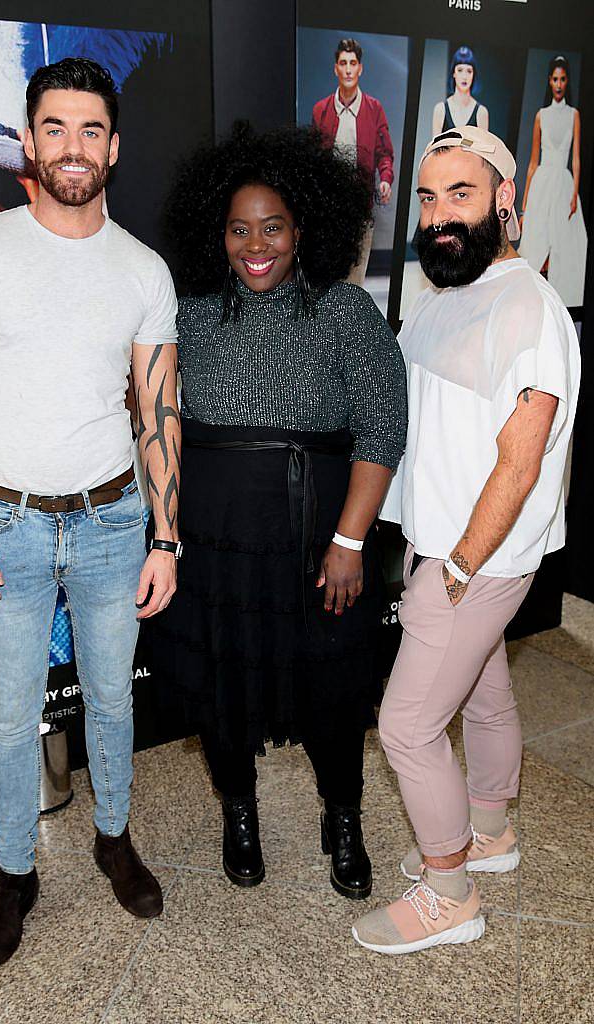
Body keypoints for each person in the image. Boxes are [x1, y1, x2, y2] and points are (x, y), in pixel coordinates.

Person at [0, 57, 181, 970]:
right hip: (6, 527)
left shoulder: (144, 271)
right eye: (56, 128)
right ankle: (14, 871)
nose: (74, 147)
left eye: (92, 130)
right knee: (13, 713)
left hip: (114, 525)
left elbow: (157, 410)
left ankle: (114, 837)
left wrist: (166, 536)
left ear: (116, 146)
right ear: (29, 142)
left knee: (111, 703)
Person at [147, 122, 407, 900]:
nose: (254, 245)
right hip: (216, 543)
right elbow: (152, 412)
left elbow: (382, 429)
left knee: (331, 689)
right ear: (215, 233)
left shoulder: (344, 310)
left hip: (315, 540)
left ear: (303, 229)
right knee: (223, 692)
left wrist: (348, 541)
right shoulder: (188, 313)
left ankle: (344, 816)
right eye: (238, 229)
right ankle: (239, 814)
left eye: (273, 228)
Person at [352, 126, 580, 954]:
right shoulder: (448, 291)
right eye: (426, 196)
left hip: (473, 559)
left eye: (460, 194)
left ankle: (450, 895)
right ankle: (489, 835)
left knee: (408, 725)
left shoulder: (527, 309)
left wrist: (452, 568)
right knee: (482, 694)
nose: (438, 214)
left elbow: (518, 465)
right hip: (446, 545)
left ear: (505, 203)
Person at [312, 38, 394, 285]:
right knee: (328, 276)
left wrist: (386, 179)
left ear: (361, 68)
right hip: (329, 208)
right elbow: (314, 159)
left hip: (361, 205)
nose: (348, 69)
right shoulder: (321, 110)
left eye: (353, 63)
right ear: (335, 68)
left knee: (355, 279)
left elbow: (384, 153)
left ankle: (349, 322)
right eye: (343, 63)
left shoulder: (373, 109)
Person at [519, 54, 588, 307]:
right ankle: (533, 302)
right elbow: (533, 162)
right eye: (555, 79)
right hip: (542, 183)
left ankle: (559, 305)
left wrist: (574, 195)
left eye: (563, 79)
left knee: (564, 247)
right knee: (536, 243)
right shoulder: (541, 115)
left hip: (564, 184)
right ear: (549, 81)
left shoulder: (574, 115)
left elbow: (576, 158)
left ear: (567, 81)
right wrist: (524, 205)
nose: (559, 84)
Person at [431, 46, 489, 136]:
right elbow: (435, 147)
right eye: (460, 70)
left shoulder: (481, 113)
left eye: (469, 71)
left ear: (474, 75)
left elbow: (481, 148)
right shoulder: (440, 110)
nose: (464, 76)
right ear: (454, 73)